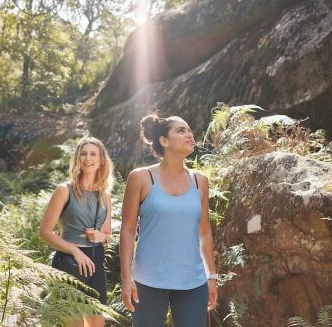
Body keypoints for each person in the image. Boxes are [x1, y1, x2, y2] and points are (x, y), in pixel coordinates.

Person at [119, 114, 219, 326]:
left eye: (189, 130)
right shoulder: (141, 178)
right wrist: (126, 277)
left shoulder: (200, 181)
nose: (189, 134)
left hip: (193, 282)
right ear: (164, 141)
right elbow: (127, 230)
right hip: (148, 281)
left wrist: (211, 276)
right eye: (181, 130)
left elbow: (204, 232)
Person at [40, 137, 114, 327]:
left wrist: (102, 236)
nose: (88, 158)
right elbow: (45, 232)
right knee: (73, 324)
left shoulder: (105, 196)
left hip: (95, 261)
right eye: (83, 154)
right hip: (69, 262)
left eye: (93, 154)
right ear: (77, 159)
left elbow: (107, 234)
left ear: (101, 161)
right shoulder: (64, 190)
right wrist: (75, 251)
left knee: (97, 323)